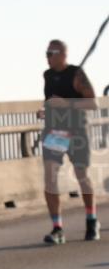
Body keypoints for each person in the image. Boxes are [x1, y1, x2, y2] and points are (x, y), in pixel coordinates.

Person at [38, 40, 100, 244]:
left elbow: (93, 103)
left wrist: (66, 103)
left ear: (63, 54)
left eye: (51, 53)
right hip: (55, 132)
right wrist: (45, 111)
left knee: (82, 175)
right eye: (46, 53)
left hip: (77, 131)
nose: (47, 57)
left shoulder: (76, 74)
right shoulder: (47, 76)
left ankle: (91, 221)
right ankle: (57, 228)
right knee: (50, 177)